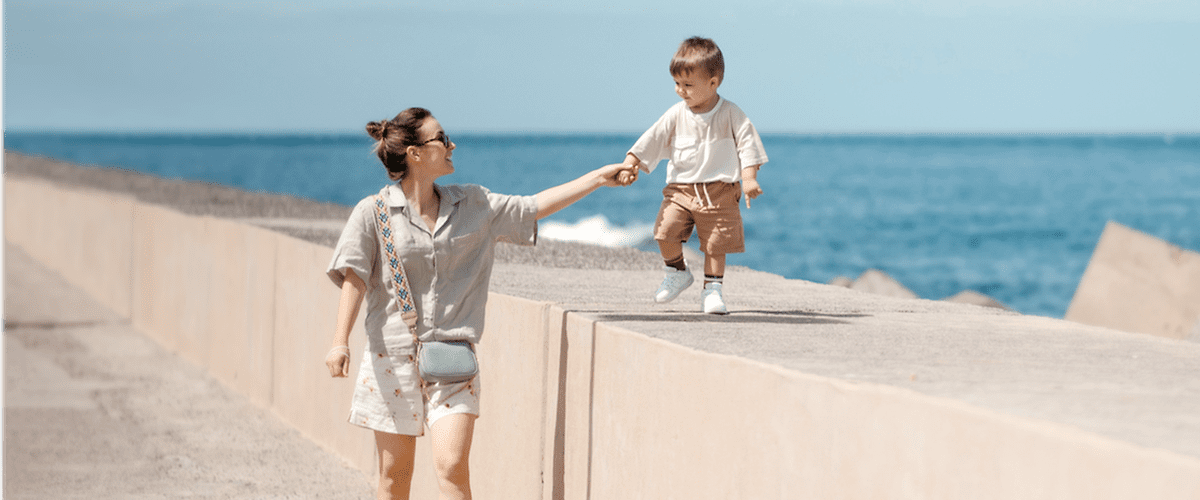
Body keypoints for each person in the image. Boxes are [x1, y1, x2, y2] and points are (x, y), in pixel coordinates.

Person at [323, 107, 633, 500]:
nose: (452, 145)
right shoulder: (373, 212)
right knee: (394, 476)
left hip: (453, 362)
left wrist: (598, 179)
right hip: (391, 360)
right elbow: (354, 277)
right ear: (415, 153)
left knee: (452, 467)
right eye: (441, 139)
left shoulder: (473, 204)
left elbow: (532, 207)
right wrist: (340, 341)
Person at [616, 36, 769, 314]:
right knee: (665, 232)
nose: (680, 91)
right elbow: (651, 139)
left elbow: (748, 145)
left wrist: (749, 178)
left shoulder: (731, 113)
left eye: (688, 85)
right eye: (677, 83)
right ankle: (677, 271)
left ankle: (712, 290)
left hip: (719, 191)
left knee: (715, 244)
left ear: (713, 83)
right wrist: (630, 163)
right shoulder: (676, 114)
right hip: (681, 190)